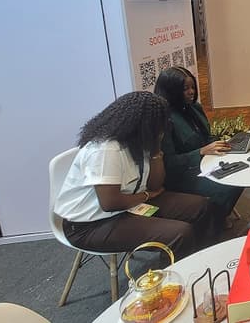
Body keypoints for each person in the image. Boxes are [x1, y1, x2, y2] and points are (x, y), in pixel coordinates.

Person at [54, 91, 212, 259]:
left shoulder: (139, 141)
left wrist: (156, 150)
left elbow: (155, 185)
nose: (163, 127)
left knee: (201, 205)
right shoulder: (107, 149)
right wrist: (146, 196)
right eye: (158, 123)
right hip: (90, 224)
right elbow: (110, 203)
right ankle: (174, 273)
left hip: (130, 203)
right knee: (179, 234)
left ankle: (201, 258)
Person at [154, 66, 245, 230]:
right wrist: (201, 152)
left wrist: (224, 144)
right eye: (185, 89)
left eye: (192, 87)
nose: (191, 92)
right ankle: (212, 223)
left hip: (207, 162)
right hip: (182, 175)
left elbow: (206, 137)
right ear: (172, 91)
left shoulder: (194, 108)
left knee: (243, 169)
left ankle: (216, 216)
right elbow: (168, 163)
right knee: (229, 183)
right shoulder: (163, 120)